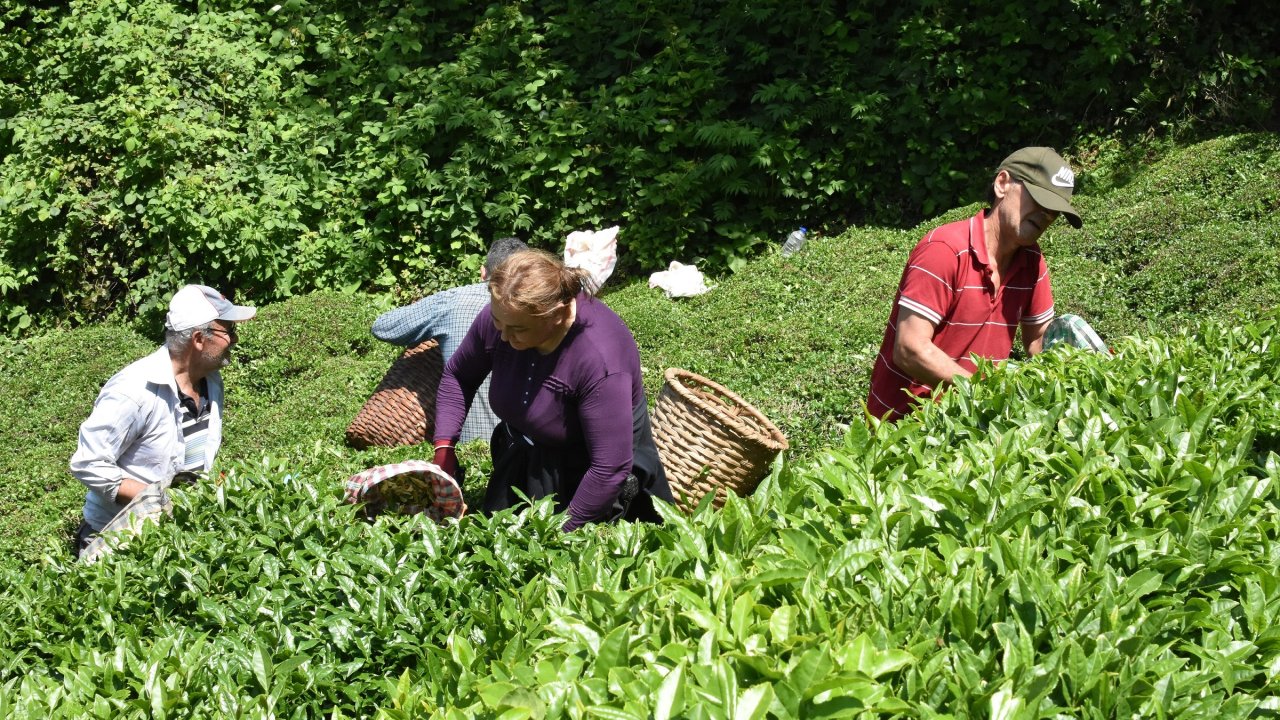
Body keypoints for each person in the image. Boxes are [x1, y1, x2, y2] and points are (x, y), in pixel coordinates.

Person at [431, 249, 675, 530]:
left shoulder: (599, 359)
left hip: (588, 480)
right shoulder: (506, 316)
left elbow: (609, 468)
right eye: (498, 322)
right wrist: (445, 448)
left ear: (556, 315)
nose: (504, 337)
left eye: (518, 330)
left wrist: (562, 534)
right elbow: (459, 375)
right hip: (525, 454)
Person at [866, 146, 1083, 421]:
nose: (1046, 215)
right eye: (1039, 199)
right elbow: (910, 349)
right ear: (1002, 184)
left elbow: (1038, 341)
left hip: (973, 422)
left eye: (1054, 210)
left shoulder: (1032, 262)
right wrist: (986, 392)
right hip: (904, 428)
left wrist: (1081, 367)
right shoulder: (945, 249)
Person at [70, 284, 256, 552]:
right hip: (116, 539)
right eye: (229, 330)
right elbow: (88, 463)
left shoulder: (211, 381)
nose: (235, 339)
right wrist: (159, 500)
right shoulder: (133, 390)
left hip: (174, 536)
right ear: (199, 339)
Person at [371, 237, 528, 443]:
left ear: (483, 273)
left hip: (466, 446)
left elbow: (383, 327)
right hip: (526, 446)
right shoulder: (542, 311)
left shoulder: (452, 301)